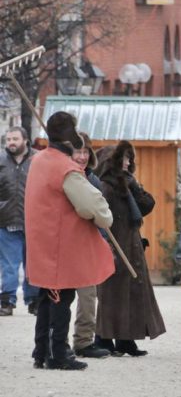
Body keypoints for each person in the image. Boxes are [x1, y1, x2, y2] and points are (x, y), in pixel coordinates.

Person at [25, 111, 115, 370]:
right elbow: (91, 207)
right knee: (60, 298)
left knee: (46, 297)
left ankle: (41, 350)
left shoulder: (39, 160)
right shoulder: (65, 168)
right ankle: (58, 354)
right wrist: (105, 216)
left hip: (43, 242)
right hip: (59, 245)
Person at [94, 141, 166, 356]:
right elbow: (98, 219)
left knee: (132, 293)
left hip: (131, 245)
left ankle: (126, 340)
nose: (128, 162)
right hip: (113, 247)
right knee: (111, 294)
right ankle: (104, 339)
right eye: (123, 158)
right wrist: (106, 245)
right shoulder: (105, 186)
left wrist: (133, 187)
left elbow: (147, 205)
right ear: (112, 161)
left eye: (129, 158)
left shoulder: (127, 185)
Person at [67, 132, 111, 359]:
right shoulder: (63, 177)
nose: (82, 156)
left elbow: (99, 214)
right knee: (61, 298)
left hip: (88, 245)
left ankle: (84, 341)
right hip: (65, 245)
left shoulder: (93, 180)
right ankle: (56, 342)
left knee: (88, 296)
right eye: (78, 151)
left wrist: (103, 242)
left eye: (85, 151)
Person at [0, 126, 39, 316]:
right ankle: (7, 301)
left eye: (15, 139)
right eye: (8, 140)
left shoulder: (38, 159)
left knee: (32, 263)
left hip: (33, 222)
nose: (11, 143)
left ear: (25, 140)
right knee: (9, 264)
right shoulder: (1, 160)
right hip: (6, 220)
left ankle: (34, 300)